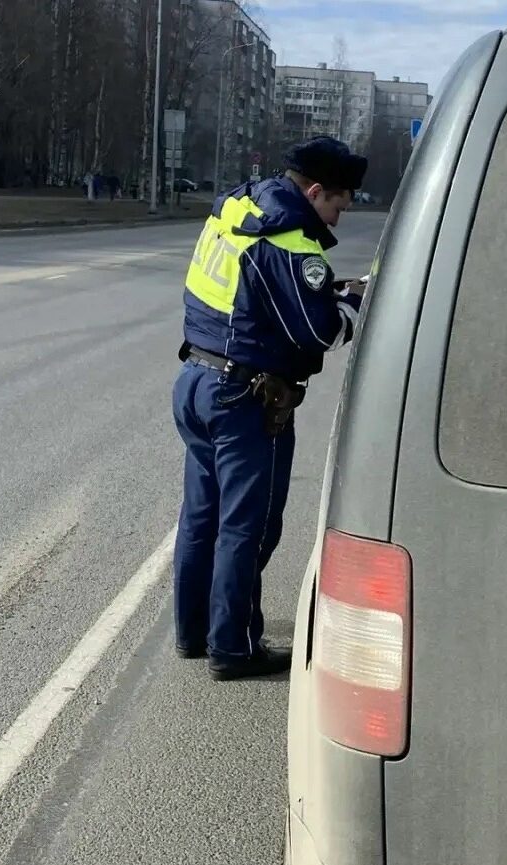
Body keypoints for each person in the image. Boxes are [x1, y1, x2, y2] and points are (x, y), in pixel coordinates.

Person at [172, 137, 369, 681]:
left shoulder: (240, 208)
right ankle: (233, 649)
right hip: (245, 397)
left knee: (200, 518)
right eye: (337, 203)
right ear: (313, 191)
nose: (340, 214)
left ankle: (193, 633)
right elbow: (319, 332)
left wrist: (326, 289)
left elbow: (254, 297)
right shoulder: (288, 240)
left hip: (195, 379)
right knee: (248, 528)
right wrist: (353, 300)